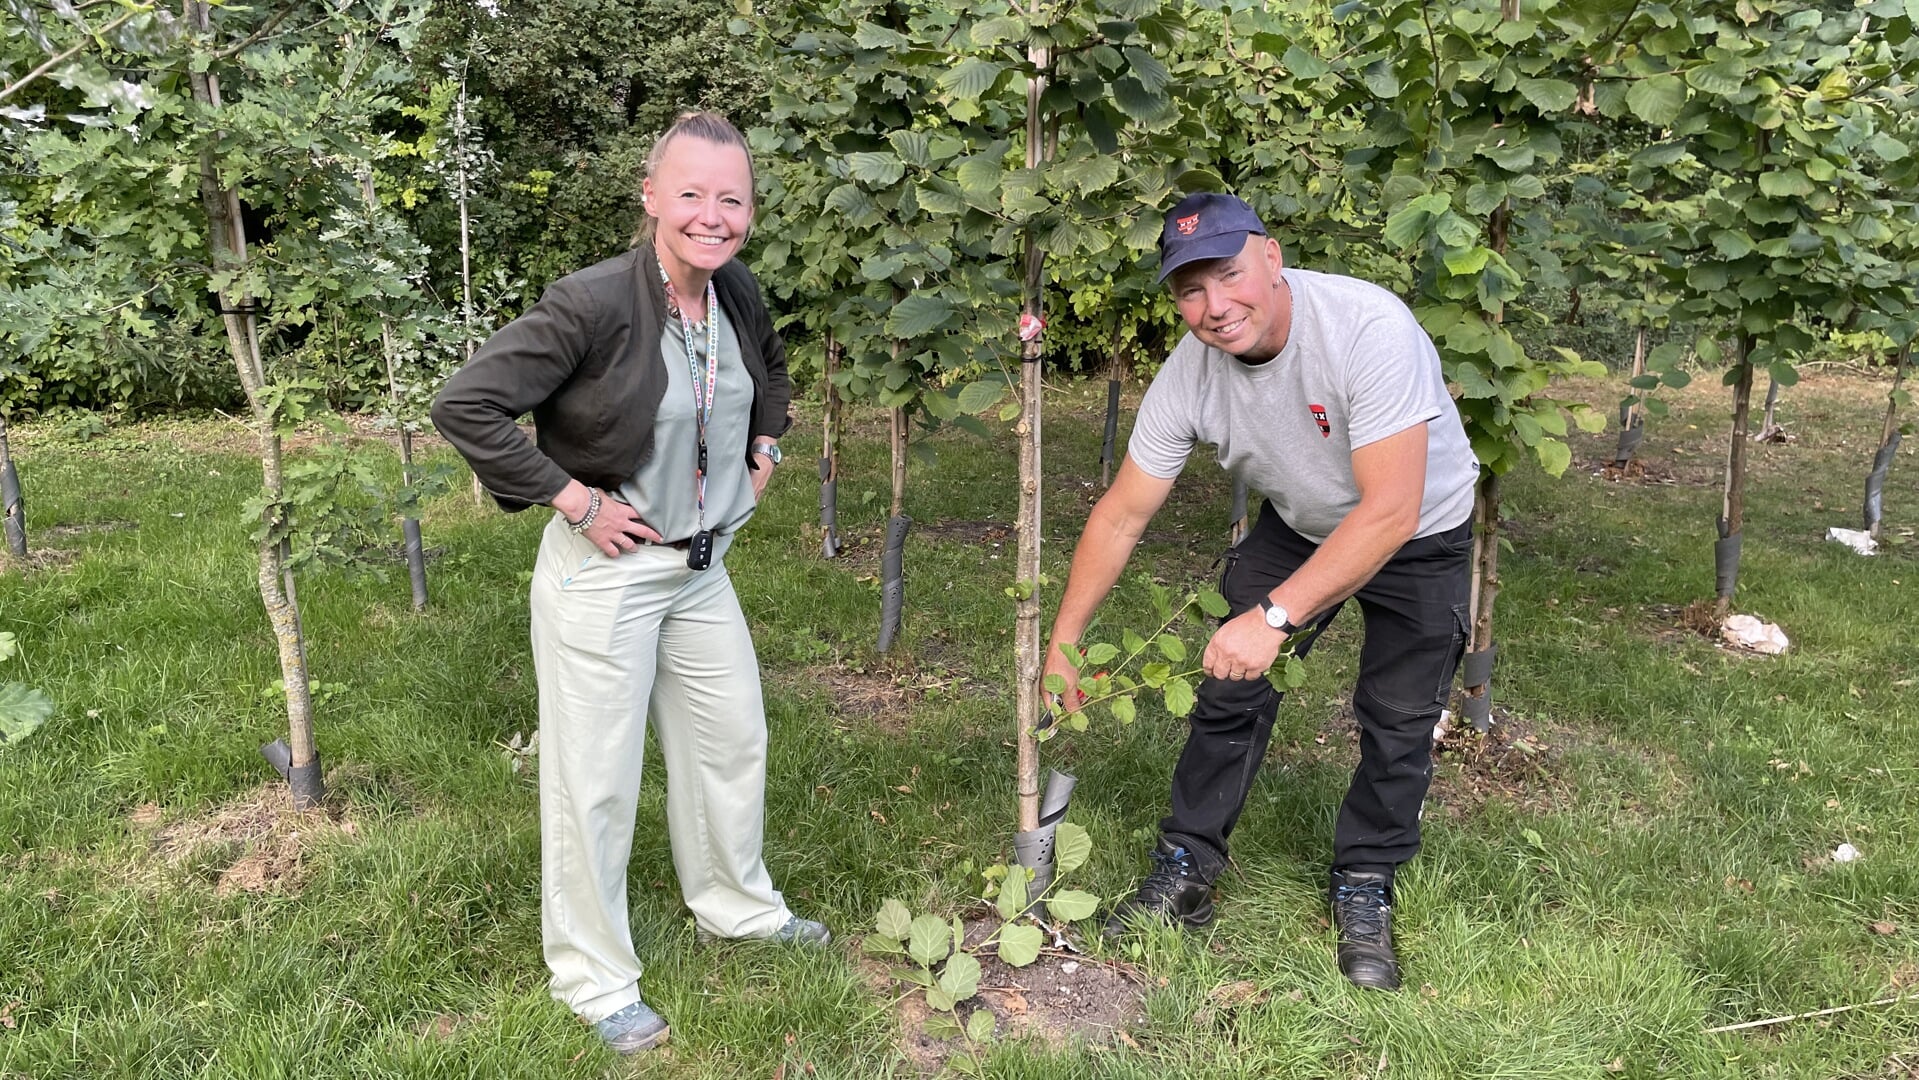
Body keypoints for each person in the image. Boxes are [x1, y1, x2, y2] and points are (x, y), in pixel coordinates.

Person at [431, 111, 826, 1054]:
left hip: (700, 570)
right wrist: (574, 499)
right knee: (595, 782)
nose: (712, 215)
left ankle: (735, 906)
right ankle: (594, 975)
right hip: (606, 574)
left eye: (730, 198)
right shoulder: (594, 301)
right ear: (650, 197)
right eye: (690, 193)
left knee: (731, 743)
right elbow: (467, 405)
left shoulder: (736, 293)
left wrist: (763, 446)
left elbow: (769, 372)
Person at [1044, 192, 1477, 991]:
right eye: (1189, 291)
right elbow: (1121, 515)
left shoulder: (1365, 328)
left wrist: (1274, 617)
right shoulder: (1190, 375)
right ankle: (1187, 868)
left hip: (1417, 531)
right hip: (1303, 519)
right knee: (1226, 689)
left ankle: (1365, 882)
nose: (1214, 308)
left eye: (1229, 275)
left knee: (1397, 715)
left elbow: (1388, 510)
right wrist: (1065, 640)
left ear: (1271, 257)